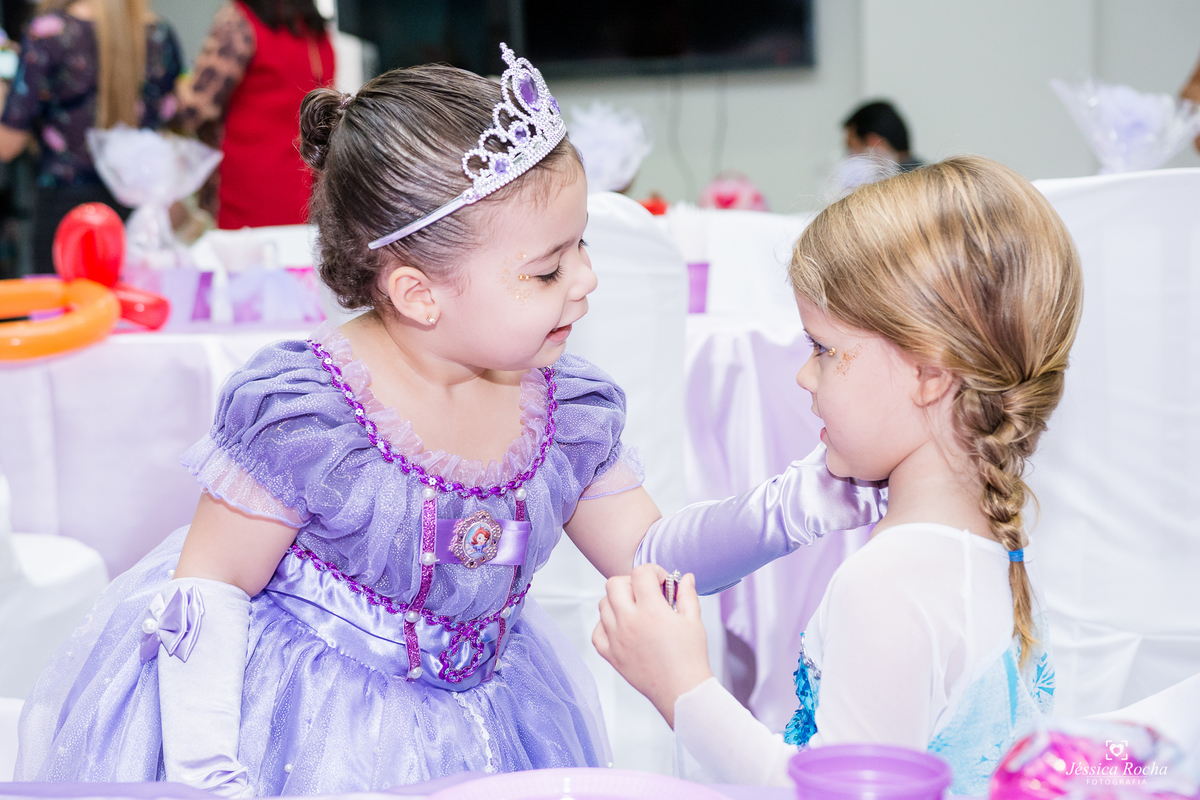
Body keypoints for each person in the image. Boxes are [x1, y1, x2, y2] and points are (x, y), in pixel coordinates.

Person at [16, 45, 884, 794]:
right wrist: (211, 777)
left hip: (488, 722)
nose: (585, 282)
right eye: (546, 271)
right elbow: (208, 589)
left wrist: (792, 509)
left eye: (581, 248)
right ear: (417, 293)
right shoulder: (310, 414)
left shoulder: (564, 410)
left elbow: (650, 559)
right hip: (293, 731)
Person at [595, 156, 1083, 796]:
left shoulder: (889, 579)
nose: (804, 376)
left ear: (929, 373)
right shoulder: (999, 542)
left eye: (824, 350)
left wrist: (681, 687)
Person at [0, 0, 182, 272]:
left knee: (66, 313)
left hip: (66, 218)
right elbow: (174, 123)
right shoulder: (159, 34)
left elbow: (7, 145)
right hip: (138, 218)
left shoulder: (50, 34)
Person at [174, 0, 333, 229]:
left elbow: (194, 109)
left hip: (246, 196)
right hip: (306, 193)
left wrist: (176, 88)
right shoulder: (316, 31)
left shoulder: (239, 22)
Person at [843, 100, 923, 172]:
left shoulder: (906, 185)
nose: (850, 157)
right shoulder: (929, 176)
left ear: (874, 142)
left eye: (852, 148)